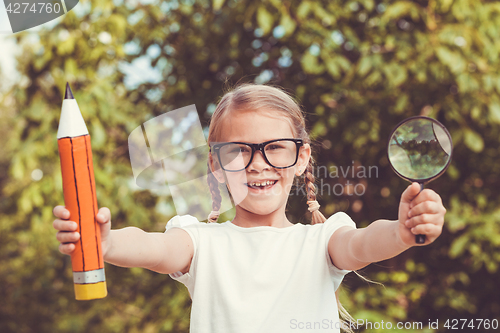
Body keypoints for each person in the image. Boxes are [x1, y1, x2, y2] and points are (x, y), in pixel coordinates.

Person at [53, 84, 446, 333]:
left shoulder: (321, 240)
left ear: (301, 157)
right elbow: (153, 246)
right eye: (239, 151)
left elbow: (363, 244)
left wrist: (400, 231)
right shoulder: (201, 242)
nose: (258, 163)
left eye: (275, 147)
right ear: (215, 165)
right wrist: (105, 242)